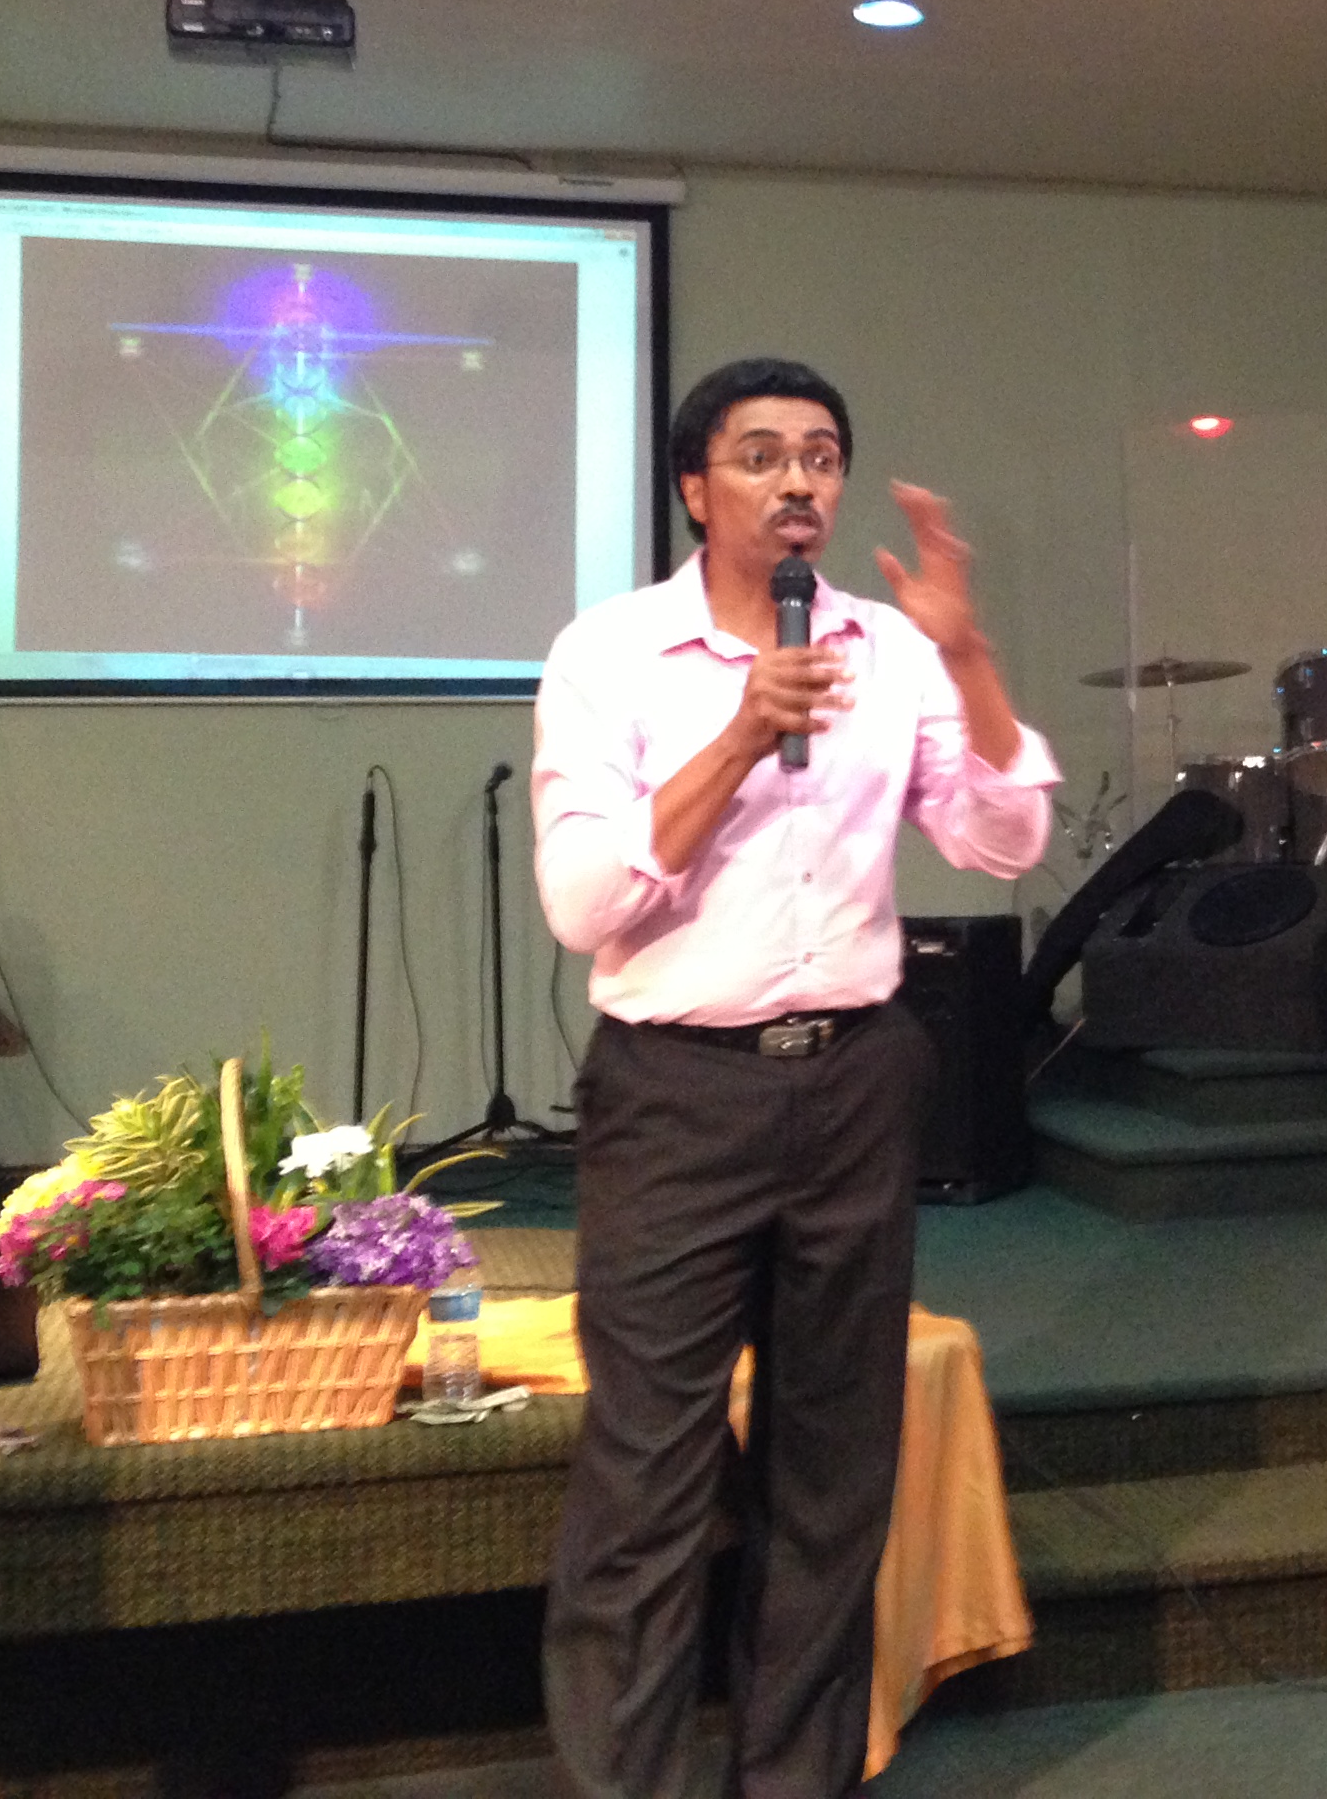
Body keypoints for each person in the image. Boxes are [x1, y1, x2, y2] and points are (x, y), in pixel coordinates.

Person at [529, 358, 1058, 1799]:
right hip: (677, 1094)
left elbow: (1003, 841)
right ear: (696, 491)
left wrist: (968, 658)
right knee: (647, 1477)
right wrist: (743, 733)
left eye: (820, 456)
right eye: (760, 456)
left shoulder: (891, 650)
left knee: (833, 1476)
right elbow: (584, 903)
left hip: (855, 1084)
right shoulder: (610, 655)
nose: (798, 481)